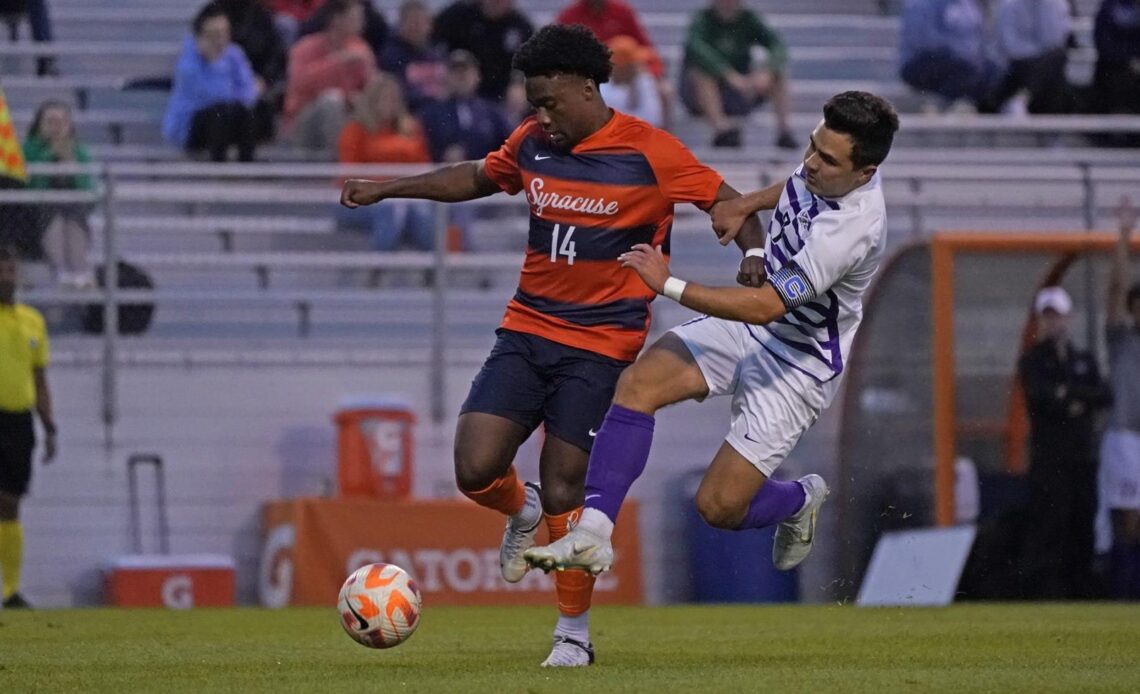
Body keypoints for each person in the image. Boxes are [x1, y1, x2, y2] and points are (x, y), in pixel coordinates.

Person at [340, 24, 767, 666]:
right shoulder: (535, 143)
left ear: (587, 86)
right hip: (527, 328)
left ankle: (573, 636)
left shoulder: (650, 151)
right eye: (532, 103)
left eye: (548, 101)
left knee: (568, 486)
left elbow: (732, 205)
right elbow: (478, 176)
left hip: (602, 345)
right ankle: (521, 509)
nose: (540, 114)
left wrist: (756, 253)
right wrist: (388, 187)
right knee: (475, 466)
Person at [524, 93, 899, 600]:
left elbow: (765, 306)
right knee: (638, 384)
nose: (810, 162)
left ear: (865, 172)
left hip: (798, 363)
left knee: (718, 508)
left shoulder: (853, 228)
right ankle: (592, 535)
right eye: (811, 147)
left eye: (826, 160)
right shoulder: (825, 162)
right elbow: (794, 186)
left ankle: (797, 499)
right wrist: (746, 204)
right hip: (752, 330)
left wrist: (669, 285)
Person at [1017, 286, 1111, 599]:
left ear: (1068, 318)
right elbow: (1042, 397)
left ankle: (1079, 590)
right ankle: (1044, 592)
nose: (1053, 322)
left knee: (1082, 520)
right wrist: (1072, 398)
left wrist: (1068, 394)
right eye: (1047, 316)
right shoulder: (1033, 360)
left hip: (1081, 457)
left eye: (1057, 315)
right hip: (1049, 459)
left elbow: (1102, 395)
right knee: (1049, 525)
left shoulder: (1082, 359)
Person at [0, 245, 57, 609]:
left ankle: (11, 590)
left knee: (10, 502)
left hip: (19, 422)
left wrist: (50, 426)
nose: (7, 274)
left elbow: (39, 378)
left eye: (10, 268)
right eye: (1, 268)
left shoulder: (32, 320)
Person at [337, 73, 434, 253]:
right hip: (359, 201)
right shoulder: (356, 130)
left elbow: (423, 165)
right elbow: (350, 175)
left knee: (424, 215)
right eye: (382, 98)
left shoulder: (411, 129)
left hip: (407, 198)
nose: (388, 103)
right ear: (371, 100)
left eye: (393, 98)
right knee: (390, 209)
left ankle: (430, 274)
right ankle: (378, 271)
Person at [680, 0, 795, 149]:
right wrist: (726, 74)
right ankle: (721, 129)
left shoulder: (749, 19)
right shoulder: (702, 20)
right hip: (703, 95)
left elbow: (777, 45)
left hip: (740, 90)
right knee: (701, 72)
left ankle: (784, 131)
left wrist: (766, 70)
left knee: (778, 73)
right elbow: (695, 48)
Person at [163, 3, 259, 162]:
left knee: (246, 114)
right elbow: (209, 97)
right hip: (191, 126)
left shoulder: (235, 55)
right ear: (200, 36)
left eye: (224, 33)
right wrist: (214, 62)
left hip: (228, 118)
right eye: (214, 34)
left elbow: (248, 92)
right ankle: (217, 169)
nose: (220, 40)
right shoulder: (188, 63)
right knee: (219, 114)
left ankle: (247, 167)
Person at [554, 0, 672, 128]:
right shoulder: (569, 16)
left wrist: (655, 74)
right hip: (586, 75)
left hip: (624, 71)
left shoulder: (622, 11)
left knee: (664, 90)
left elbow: (646, 47)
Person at [1102, 199, 1140, 598]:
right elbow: (1116, 288)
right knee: (1130, 520)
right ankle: (1123, 590)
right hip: (1127, 437)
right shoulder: (1122, 340)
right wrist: (1125, 237)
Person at [283, 0, 376, 154]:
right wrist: (337, 61)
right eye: (354, 18)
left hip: (347, 117)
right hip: (304, 121)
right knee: (332, 100)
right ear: (336, 19)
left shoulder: (361, 49)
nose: (361, 23)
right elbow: (299, 83)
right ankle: (338, 163)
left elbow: (372, 89)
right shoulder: (305, 47)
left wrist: (357, 97)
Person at [22, 101, 96, 288]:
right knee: (53, 216)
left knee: (73, 217)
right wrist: (49, 158)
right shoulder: (28, 150)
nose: (57, 127)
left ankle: (79, 272)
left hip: (73, 210)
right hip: (36, 211)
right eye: (51, 121)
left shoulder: (79, 152)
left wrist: (72, 167)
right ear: (39, 124)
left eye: (62, 121)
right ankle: (61, 271)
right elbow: (29, 187)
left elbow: (89, 192)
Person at [899, 0, 1004, 111]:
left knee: (994, 71)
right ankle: (940, 105)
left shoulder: (968, 4)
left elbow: (979, 37)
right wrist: (959, 51)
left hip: (962, 60)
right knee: (967, 67)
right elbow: (922, 39)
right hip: (921, 61)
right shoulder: (921, 3)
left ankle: (979, 110)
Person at [431, 0, 534, 104]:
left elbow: (528, 63)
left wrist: (518, 83)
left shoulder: (521, 26)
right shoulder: (459, 15)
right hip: (460, 87)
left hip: (502, 93)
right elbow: (430, 43)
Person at [217, 0, 287, 141]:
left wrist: (265, 79)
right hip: (221, 89)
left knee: (260, 109)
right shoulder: (213, 15)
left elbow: (276, 55)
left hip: (257, 85)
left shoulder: (261, 16)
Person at [992, 0, 1072, 114]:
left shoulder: (1055, 4)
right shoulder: (1008, 5)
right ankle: (1024, 98)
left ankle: (1023, 98)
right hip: (1017, 63)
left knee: (1056, 58)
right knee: (1052, 65)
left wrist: (1047, 8)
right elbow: (1009, 45)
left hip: (1044, 63)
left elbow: (1055, 40)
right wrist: (1036, 56)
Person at [380, 0, 447, 114]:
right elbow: (396, 93)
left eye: (421, 22)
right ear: (401, 24)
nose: (417, 27)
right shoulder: (390, 57)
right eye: (412, 22)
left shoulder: (437, 55)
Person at [1091, 0, 1140, 146]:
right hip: (1114, 67)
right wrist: (1130, 61)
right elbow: (1102, 43)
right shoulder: (1109, 8)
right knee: (1121, 79)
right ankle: (1119, 133)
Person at [599, 36, 663, 128]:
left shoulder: (642, 80)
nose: (638, 66)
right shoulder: (603, 89)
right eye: (634, 62)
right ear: (621, 67)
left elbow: (654, 119)